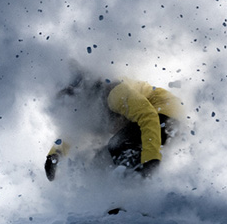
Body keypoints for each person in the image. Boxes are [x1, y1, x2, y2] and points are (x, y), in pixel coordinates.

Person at [45, 77, 183, 180]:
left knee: (118, 145)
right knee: (100, 161)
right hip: (152, 126)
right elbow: (75, 130)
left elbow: (148, 115)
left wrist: (151, 159)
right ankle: (112, 201)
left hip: (167, 118)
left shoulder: (114, 93)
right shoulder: (90, 110)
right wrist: (55, 155)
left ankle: (133, 195)